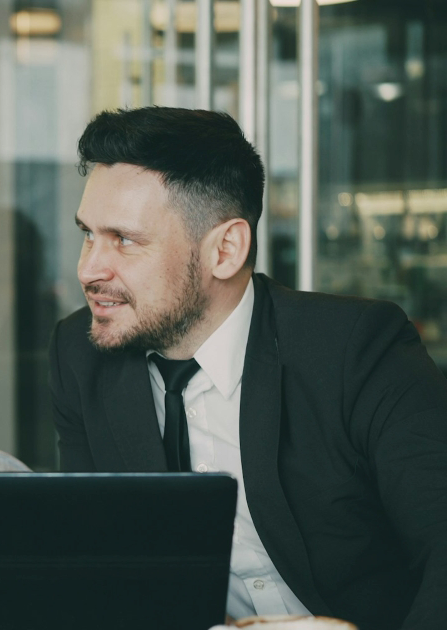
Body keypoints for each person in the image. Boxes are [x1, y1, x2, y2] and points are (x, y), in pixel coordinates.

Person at [48, 106, 447, 630]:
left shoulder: (356, 349)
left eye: (123, 239)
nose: (88, 269)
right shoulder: (81, 354)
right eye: (87, 234)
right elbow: (95, 567)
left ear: (226, 249)